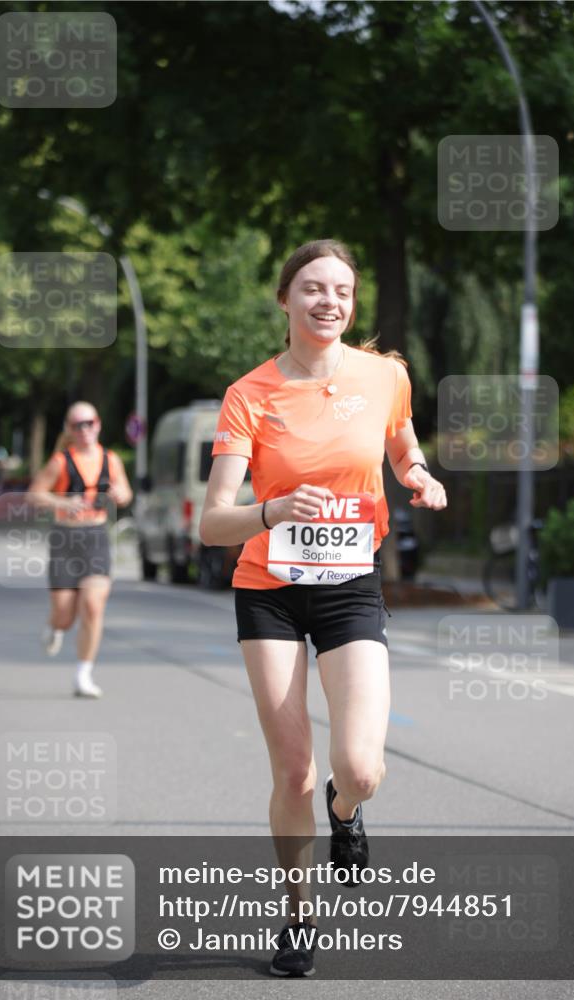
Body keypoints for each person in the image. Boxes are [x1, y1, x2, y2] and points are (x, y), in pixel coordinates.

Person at [199, 239, 447, 977]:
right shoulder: (250, 395)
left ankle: (348, 811)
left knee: (359, 768)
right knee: (294, 772)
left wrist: (420, 475)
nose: (327, 301)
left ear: (351, 302)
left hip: (347, 587)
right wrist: (272, 510)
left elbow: (401, 446)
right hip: (268, 592)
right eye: (311, 288)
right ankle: (299, 918)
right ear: (285, 299)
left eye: (340, 290)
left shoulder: (384, 377)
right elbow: (212, 523)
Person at [28, 401, 133, 698]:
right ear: (69, 430)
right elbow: (35, 494)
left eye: (89, 423)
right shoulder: (61, 461)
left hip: (95, 537)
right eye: (77, 425)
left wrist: (119, 494)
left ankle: (83, 674)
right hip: (65, 539)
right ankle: (54, 625)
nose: (84, 429)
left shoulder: (111, 460)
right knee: (65, 615)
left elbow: (126, 492)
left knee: (92, 605)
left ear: (98, 424)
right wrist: (63, 503)